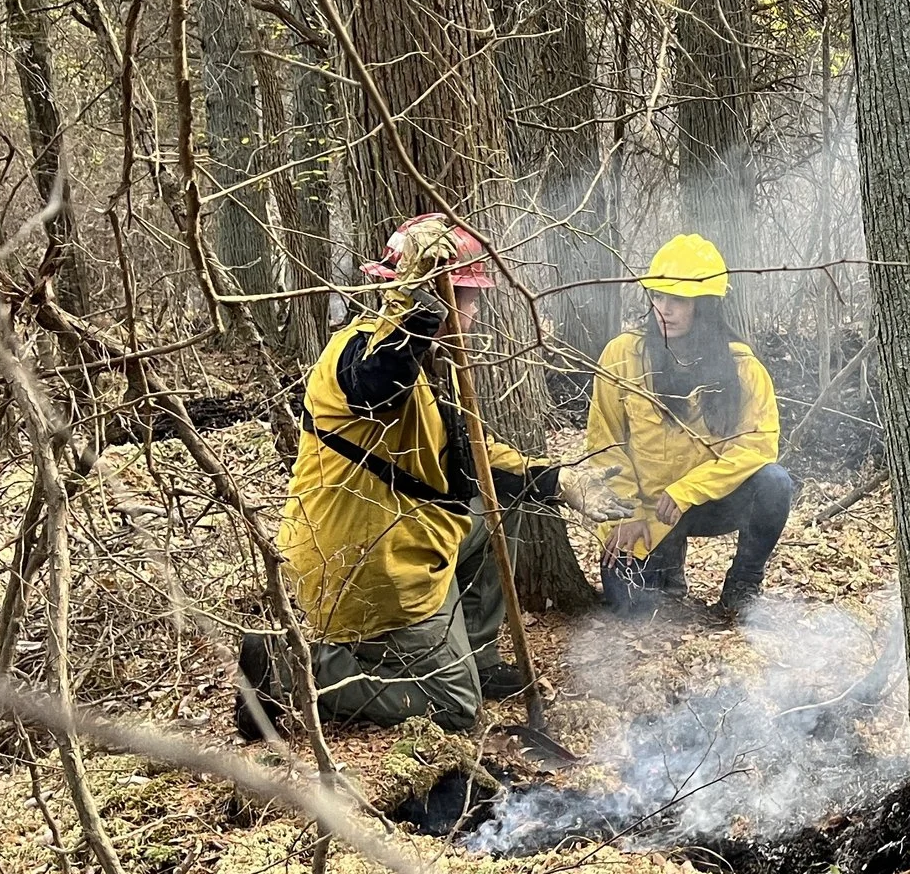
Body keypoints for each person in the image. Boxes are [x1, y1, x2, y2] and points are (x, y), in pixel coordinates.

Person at [236, 215, 560, 739]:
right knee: (453, 706)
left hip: (410, 536)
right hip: (366, 566)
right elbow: (375, 386)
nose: (476, 311)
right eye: (467, 296)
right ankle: (285, 668)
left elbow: (471, 455)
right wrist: (414, 305)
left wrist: (556, 481)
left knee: (498, 512)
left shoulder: (434, 364)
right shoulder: (357, 351)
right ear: (430, 296)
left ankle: (476, 654)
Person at [586, 233, 792, 618]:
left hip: (707, 502)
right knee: (634, 611)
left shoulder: (743, 367)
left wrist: (689, 491)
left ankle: (743, 585)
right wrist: (627, 516)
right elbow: (605, 442)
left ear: (708, 306)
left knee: (774, 483)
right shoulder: (622, 355)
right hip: (647, 512)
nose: (664, 309)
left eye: (678, 299)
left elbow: (757, 447)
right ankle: (667, 568)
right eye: (658, 297)